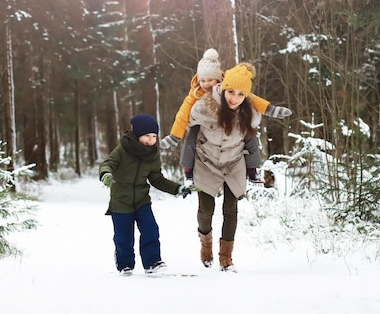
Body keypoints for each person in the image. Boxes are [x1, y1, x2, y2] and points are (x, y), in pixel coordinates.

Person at [160, 48, 291, 184]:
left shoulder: (228, 88)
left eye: (210, 80)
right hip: (206, 125)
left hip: (229, 122)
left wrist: (270, 109)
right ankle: (188, 172)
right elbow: (182, 114)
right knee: (192, 136)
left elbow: (251, 97)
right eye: (202, 80)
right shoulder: (196, 93)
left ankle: (252, 169)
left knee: (249, 133)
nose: (206, 84)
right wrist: (174, 136)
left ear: (218, 78)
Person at [99, 114, 196, 276]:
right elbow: (108, 163)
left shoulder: (152, 155)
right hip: (121, 201)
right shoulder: (122, 150)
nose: (151, 140)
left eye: (154, 136)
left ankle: (152, 262)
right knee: (124, 237)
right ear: (137, 135)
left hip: (142, 200)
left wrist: (178, 189)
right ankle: (125, 265)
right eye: (147, 136)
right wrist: (106, 175)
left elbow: (157, 179)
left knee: (151, 229)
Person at [188, 63, 262, 271]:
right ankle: (206, 243)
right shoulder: (205, 107)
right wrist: (187, 168)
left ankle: (226, 258)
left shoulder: (246, 113)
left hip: (233, 163)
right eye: (231, 91)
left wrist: (253, 168)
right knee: (205, 211)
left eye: (240, 94)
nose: (234, 98)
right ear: (223, 87)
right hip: (206, 162)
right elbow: (190, 136)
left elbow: (251, 142)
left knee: (231, 210)